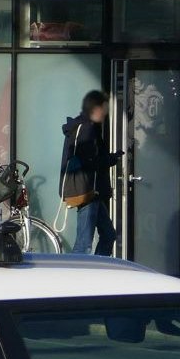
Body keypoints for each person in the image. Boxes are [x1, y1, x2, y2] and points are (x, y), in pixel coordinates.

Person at [60, 90, 119, 255]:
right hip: (87, 190)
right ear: (95, 108)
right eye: (105, 108)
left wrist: (110, 157)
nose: (106, 112)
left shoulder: (85, 127)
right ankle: (76, 277)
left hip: (93, 191)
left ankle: (99, 272)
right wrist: (110, 159)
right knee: (84, 244)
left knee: (108, 235)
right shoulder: (86, 129)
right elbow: (89, 161)